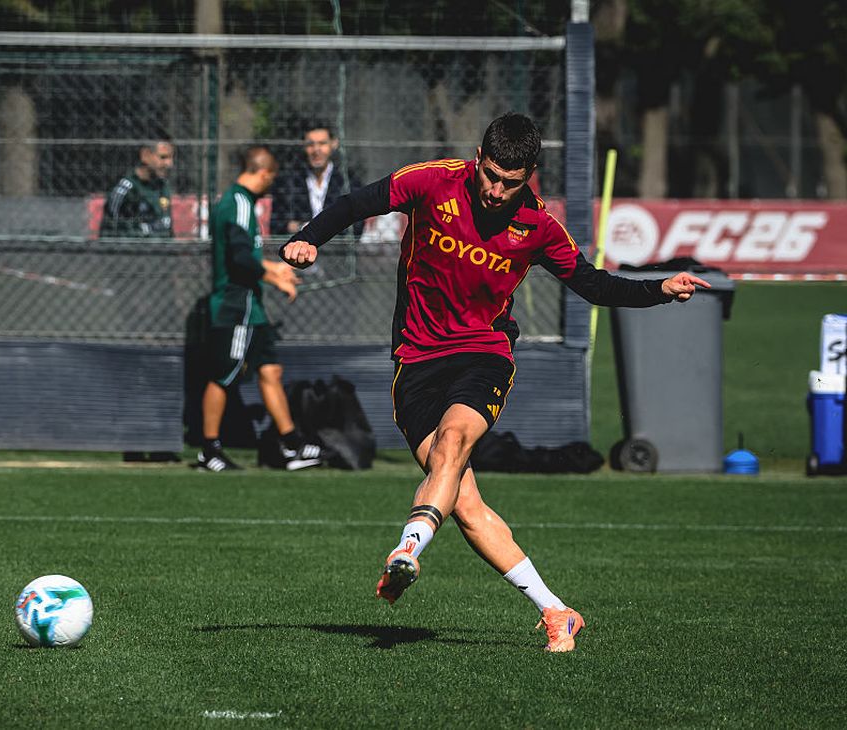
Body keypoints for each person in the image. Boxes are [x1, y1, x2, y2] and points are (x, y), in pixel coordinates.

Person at [280, 112, 711, 652]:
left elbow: (594, 285)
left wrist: (658, 289)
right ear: (478, 158)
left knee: (452, 443)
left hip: (482, 354)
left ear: (529, 176)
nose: (495, 191)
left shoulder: (539, 226)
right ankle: (558, 612)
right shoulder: (432, 181)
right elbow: (354, 204)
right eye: (490, 176)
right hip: (415, 360)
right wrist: (308, 238)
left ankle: (408, 549)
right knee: (464, 505)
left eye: (511, 183)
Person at [197, 145, 325, 473]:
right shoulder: (238, 203)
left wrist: (272, 271)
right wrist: (275, 275)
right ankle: (208, 449)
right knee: (223, 375)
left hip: (251, 305)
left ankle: (291, 444)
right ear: (264, 173)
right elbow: (240, 258)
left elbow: (248, 257)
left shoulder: (242, 203)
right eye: (272, 177)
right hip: (234, 305)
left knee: (270, 370)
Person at [270, 123, 362, 237]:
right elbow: (276, 224)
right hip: (299, 244)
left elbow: (357, 225)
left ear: (334, 144)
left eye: (322, 143)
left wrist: (323, 229)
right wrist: (302, 227)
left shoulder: (348, 181)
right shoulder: (289, 181)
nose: (316, 150)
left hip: (338, 245)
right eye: (310, 144)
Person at [100, 138, 175, 237]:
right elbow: (110, 231)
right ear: (145, 155)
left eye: (171, 158)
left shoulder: (163, 187)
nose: (169, 164)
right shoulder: (126, 188)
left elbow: (167, 229)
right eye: (163, 157)